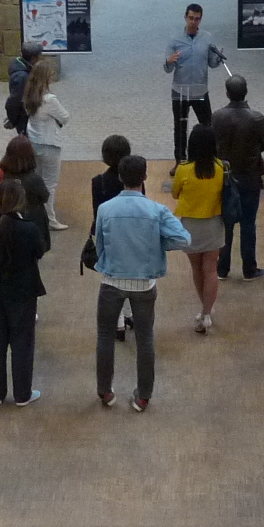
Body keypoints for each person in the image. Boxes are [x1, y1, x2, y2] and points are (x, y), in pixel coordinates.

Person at [93, 152, 189, 410]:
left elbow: (99, 244)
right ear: (145, 177)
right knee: (145, 338)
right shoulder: (157, 211)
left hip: (111, 281)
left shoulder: (105, 208)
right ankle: (143, 395)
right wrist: (159, 245)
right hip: (145, 284)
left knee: (104, 335)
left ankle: (105, 392)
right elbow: (183, 239)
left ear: (121, 177)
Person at [0, 178, 47, 406]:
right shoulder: (29, 229)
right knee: (22, 343)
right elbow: (39, 251)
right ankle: (22, 394)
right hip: (22, 292)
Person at [210, 75, 264, 283]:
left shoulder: (217, 116)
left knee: (225, 223)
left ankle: (222, 268)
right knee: (248, 224)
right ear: (246, 92)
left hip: (224, 178)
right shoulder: (257, 118)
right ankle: (249, 269)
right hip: (250, 176)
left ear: (227, 93)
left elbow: (212, 144)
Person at [169, 124, 226, 334]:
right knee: (211, 270)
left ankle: (204, 309)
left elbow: (175, 194)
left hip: (190, 225)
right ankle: (207, 312)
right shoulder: (221, 168)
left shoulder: (183, 169)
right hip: (213, 223)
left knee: (196, 269)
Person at [87, 134, 135, 340]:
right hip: (131, 234)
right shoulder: (134, 180)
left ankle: (118, 324)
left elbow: (96, 212)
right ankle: (129, 314)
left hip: (107, 234)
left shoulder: (98, 182)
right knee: (129, 275)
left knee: (111, 278)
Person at [164, 2, 225, 160]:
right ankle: (180, 161)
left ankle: (209, 159)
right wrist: (169, 61)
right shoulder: (175, 39)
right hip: (180, 91)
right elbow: (167, 69)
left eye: (197, 19)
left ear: (200, 20)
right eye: (190, 18)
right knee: (180, 128)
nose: (193, 22)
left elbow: (211, 63)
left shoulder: (207, 38)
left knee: (207, 126)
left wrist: (218, 57)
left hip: (200, 91)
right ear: (185, 17)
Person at [23, 56, 70, 230]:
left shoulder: (29, 95)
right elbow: (65, 116)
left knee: (38, 179)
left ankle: (36, 214)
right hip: (50, 144)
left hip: (34, 141)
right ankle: (50, 219)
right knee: (50, 183)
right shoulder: (49, 99)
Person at [0, 136, 54, 254]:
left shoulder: (5, 175)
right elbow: (45, 196)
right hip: (34, 219)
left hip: (10, 219)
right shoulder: (34, 179)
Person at [5, 42, 40, 135]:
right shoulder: (22, 76)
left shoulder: (23, 68)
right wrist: (13, 120)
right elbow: (15, 100)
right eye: (39, 57)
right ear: (33, 59)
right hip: (24, 119)